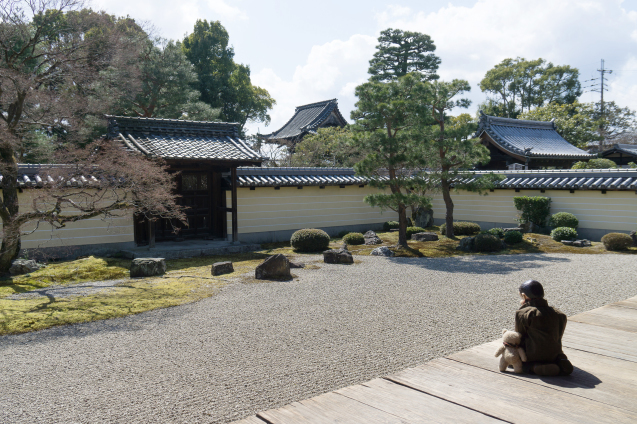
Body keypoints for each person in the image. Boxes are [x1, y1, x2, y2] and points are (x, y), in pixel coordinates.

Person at [515, 280, 574, 376]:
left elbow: (519, 336)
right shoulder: (559, 314)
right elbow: (558, 336)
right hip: (554, 353)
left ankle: (534, 367)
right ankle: (561, 360)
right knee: (553, 347)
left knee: (512, 358)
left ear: (524, 296)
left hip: (532, 354)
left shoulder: (523, 313)